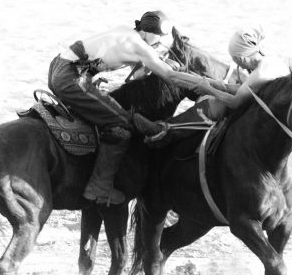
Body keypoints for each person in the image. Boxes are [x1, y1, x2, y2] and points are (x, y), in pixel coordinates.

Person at [48, 10, 199, 205]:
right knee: (122, 124)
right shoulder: (139, 46)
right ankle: (99, 187)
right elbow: (169, 76)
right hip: (73, 77)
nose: (161, 41)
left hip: (59, 68)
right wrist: (203, 84)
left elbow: (137, 75)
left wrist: (158, 61)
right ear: (150, 33)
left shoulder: (127, 33)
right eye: (160, 37)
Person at [134, 26, 290, 146]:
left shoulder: (260, 73)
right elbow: (250, 90)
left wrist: (209, 89)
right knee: (218, 91)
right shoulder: (271, 61)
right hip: (271, 105)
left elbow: (236, 101)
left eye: (234, 58)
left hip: (267, 115)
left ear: (241, 57)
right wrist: (216, 84)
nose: (236, 63)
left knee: (216, 104)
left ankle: (164, 131)